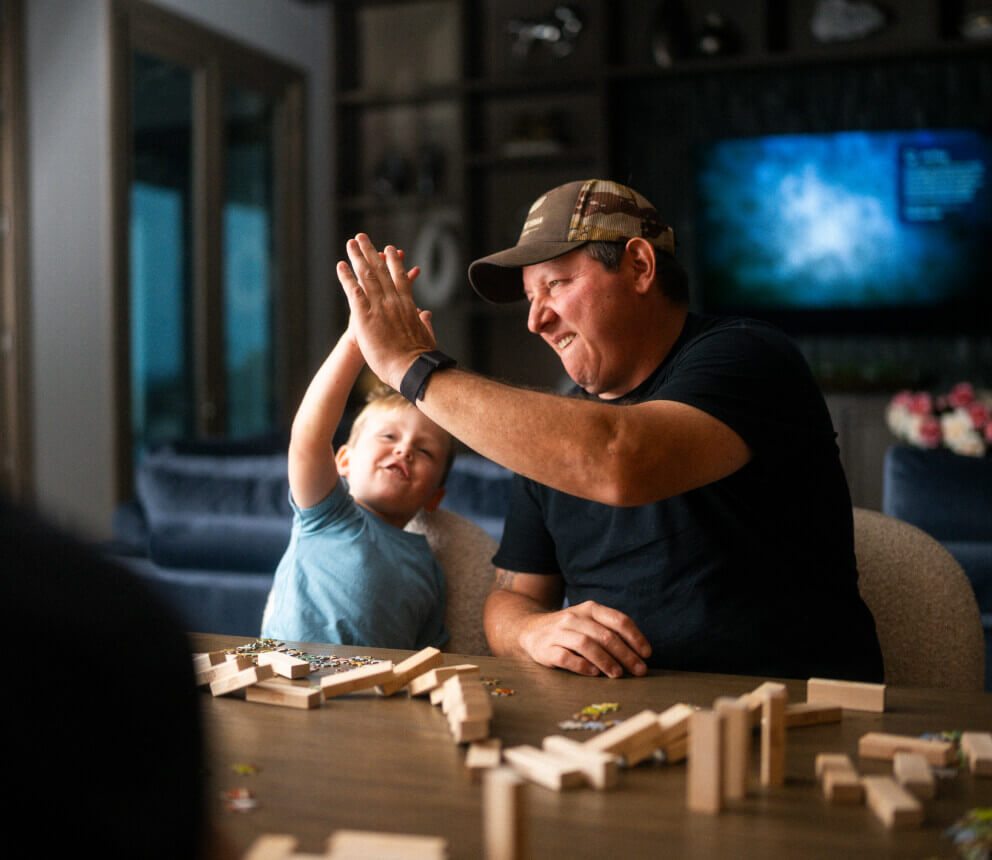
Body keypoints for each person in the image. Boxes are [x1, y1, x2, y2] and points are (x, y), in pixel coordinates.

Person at [334, 178, 883, 683]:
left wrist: (413, 367)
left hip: (791, 716)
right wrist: (533, 632)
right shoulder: (552, 430)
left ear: (641, 267)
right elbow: (511, 600)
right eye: (530, 298)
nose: (536, 320)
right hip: (613, 726)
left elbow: (620, 456)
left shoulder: (749, 357)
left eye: (556, 284)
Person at [261, 281, 455, 649]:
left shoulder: (429, 568)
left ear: (435, 497)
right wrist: (355, 341)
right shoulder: (328, 515)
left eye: (425, 451)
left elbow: (430, 654)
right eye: (388, 437)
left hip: (373, 701)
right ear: (344, 461)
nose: (404, 451)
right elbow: (308, 438)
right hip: (284, 684)